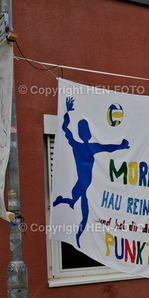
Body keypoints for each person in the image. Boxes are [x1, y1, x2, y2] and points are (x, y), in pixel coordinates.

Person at [53, 97, 130, 247]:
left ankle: (76, 230)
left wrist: (67, 114)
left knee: (78, 206)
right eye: (85, 131)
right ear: (84, 134)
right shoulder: (88, 146)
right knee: (84, 211)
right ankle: (78, 237)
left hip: (84, 183)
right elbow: (109, 147)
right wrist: (122, 145)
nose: (87, 133)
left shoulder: (77, 144)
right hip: (86, 184)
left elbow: (66, 129)